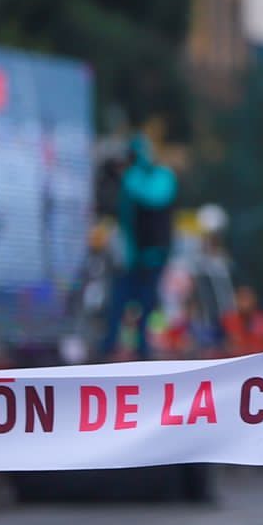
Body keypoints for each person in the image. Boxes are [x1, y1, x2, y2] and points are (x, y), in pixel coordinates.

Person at [101, 134, 177, 359]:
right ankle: (109, 349)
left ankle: (143, 352)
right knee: (118, 305)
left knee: (146, 306)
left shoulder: (159, 178)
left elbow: (156, 197)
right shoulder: (127, 182)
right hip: (130, 258)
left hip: (152, 256)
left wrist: (130, 177)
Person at [221, 284, 263, 356]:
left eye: (247, 298)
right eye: (241, 298)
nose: (244, 302)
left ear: (254, 299)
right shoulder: (228, 319)